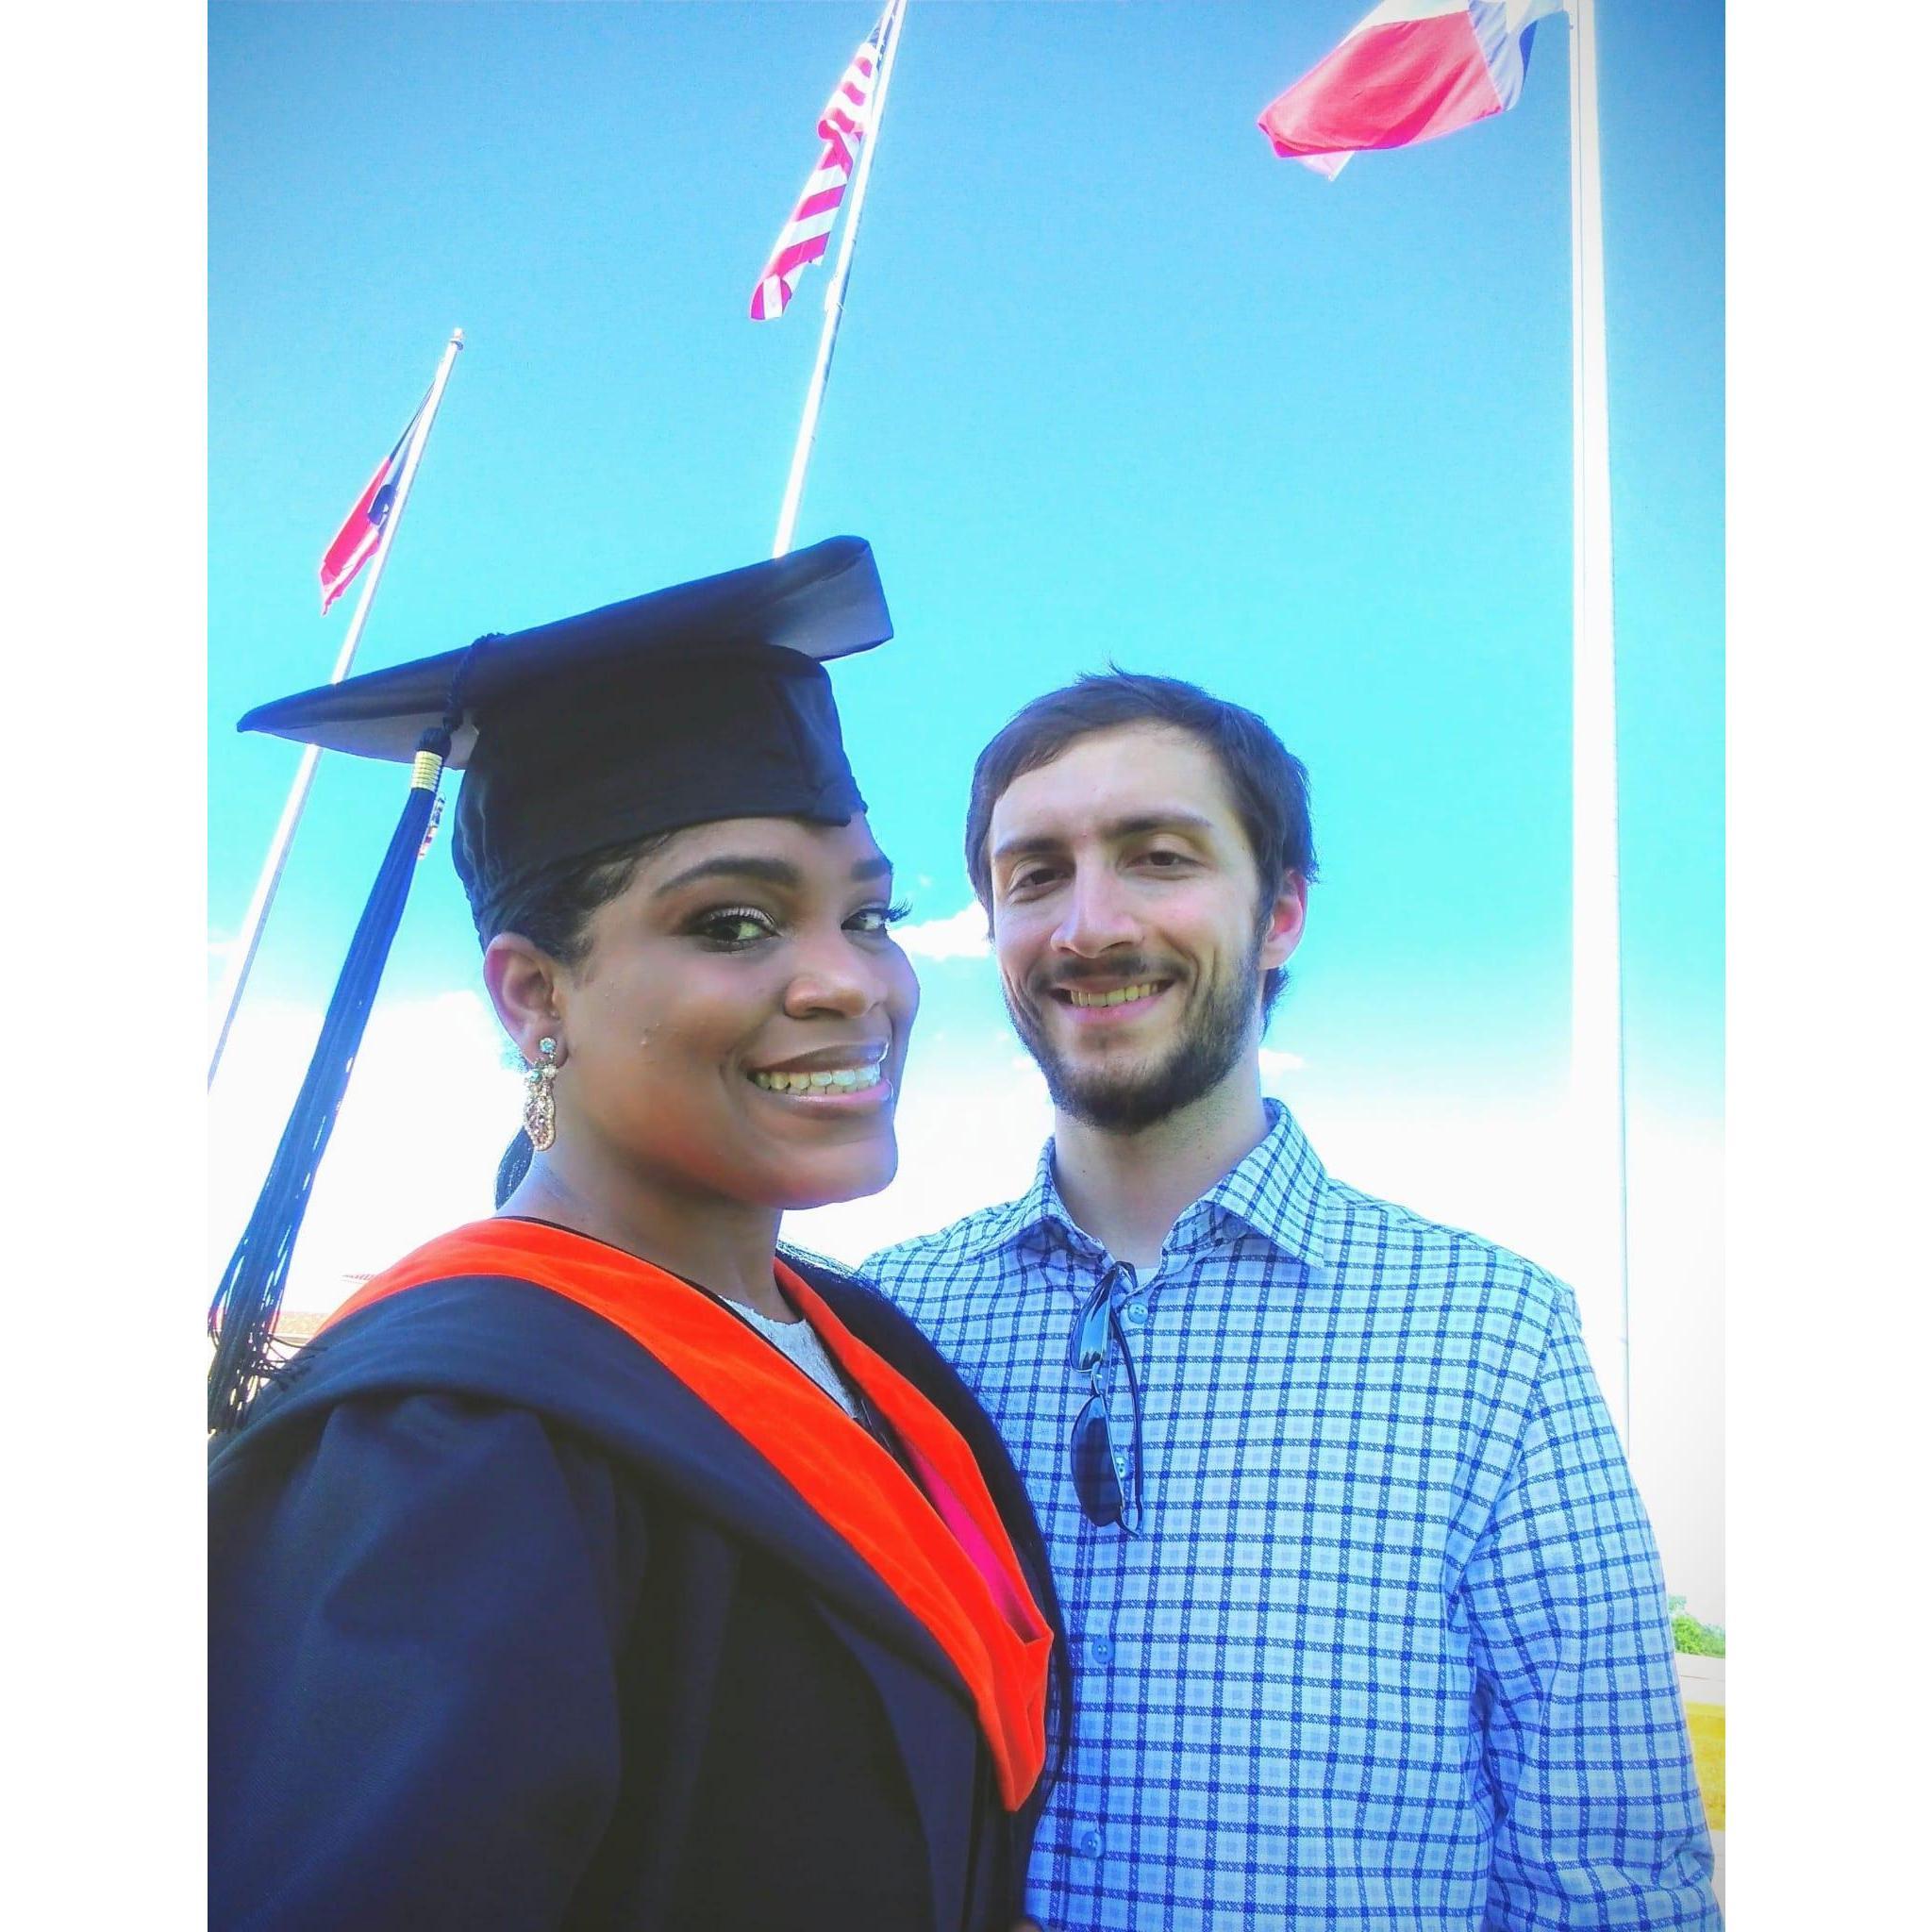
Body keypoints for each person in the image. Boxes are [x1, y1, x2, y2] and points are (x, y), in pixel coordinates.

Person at [208, 539, 1068, 1932]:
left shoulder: (867, 1349)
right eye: (733, 923)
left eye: (870, 914)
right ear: (533, 995)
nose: (850, 981)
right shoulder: (455, 1439)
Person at [864, 672, 1719, 1930]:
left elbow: (1609, 1879)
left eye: (1159, 858)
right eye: (1035, 875)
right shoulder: (883, 1328)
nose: (1089, 925)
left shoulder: (1493, 1336)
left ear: (1281, 915)